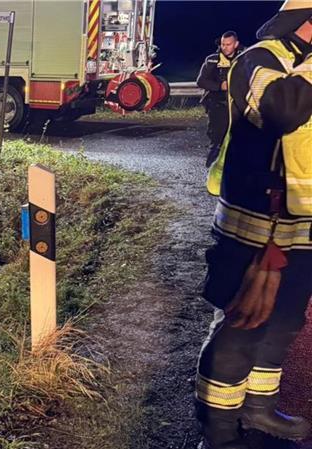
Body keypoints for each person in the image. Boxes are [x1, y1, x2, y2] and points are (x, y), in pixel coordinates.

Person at [198, 1, 312, 449]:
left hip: (300, 223)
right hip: (254, 225)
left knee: (284, 321)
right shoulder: (258, 59)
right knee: (242, 325)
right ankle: (218, 430)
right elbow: (283, 109)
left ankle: (258, 409)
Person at [197, 31, 242, 167]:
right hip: (217, 105)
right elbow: (201, 81)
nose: (225, 47)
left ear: (236, 44)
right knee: (217, 139)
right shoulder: (212, 60)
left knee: (238, 139)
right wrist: (219, 86)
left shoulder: (244, 59)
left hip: (238, 106)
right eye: (223, 44)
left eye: (228, 44)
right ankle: (211, 167)